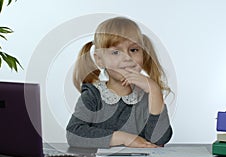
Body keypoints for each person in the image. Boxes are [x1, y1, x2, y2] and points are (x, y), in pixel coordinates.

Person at [66, 16, 173, 148]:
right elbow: (74, 134)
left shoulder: (146, 96)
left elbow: (159, 139)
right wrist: (123, 138)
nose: (127, 58)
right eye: (116, 52)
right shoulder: (93, 95)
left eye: (134, 50)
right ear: (100, 60)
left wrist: (155, 91)